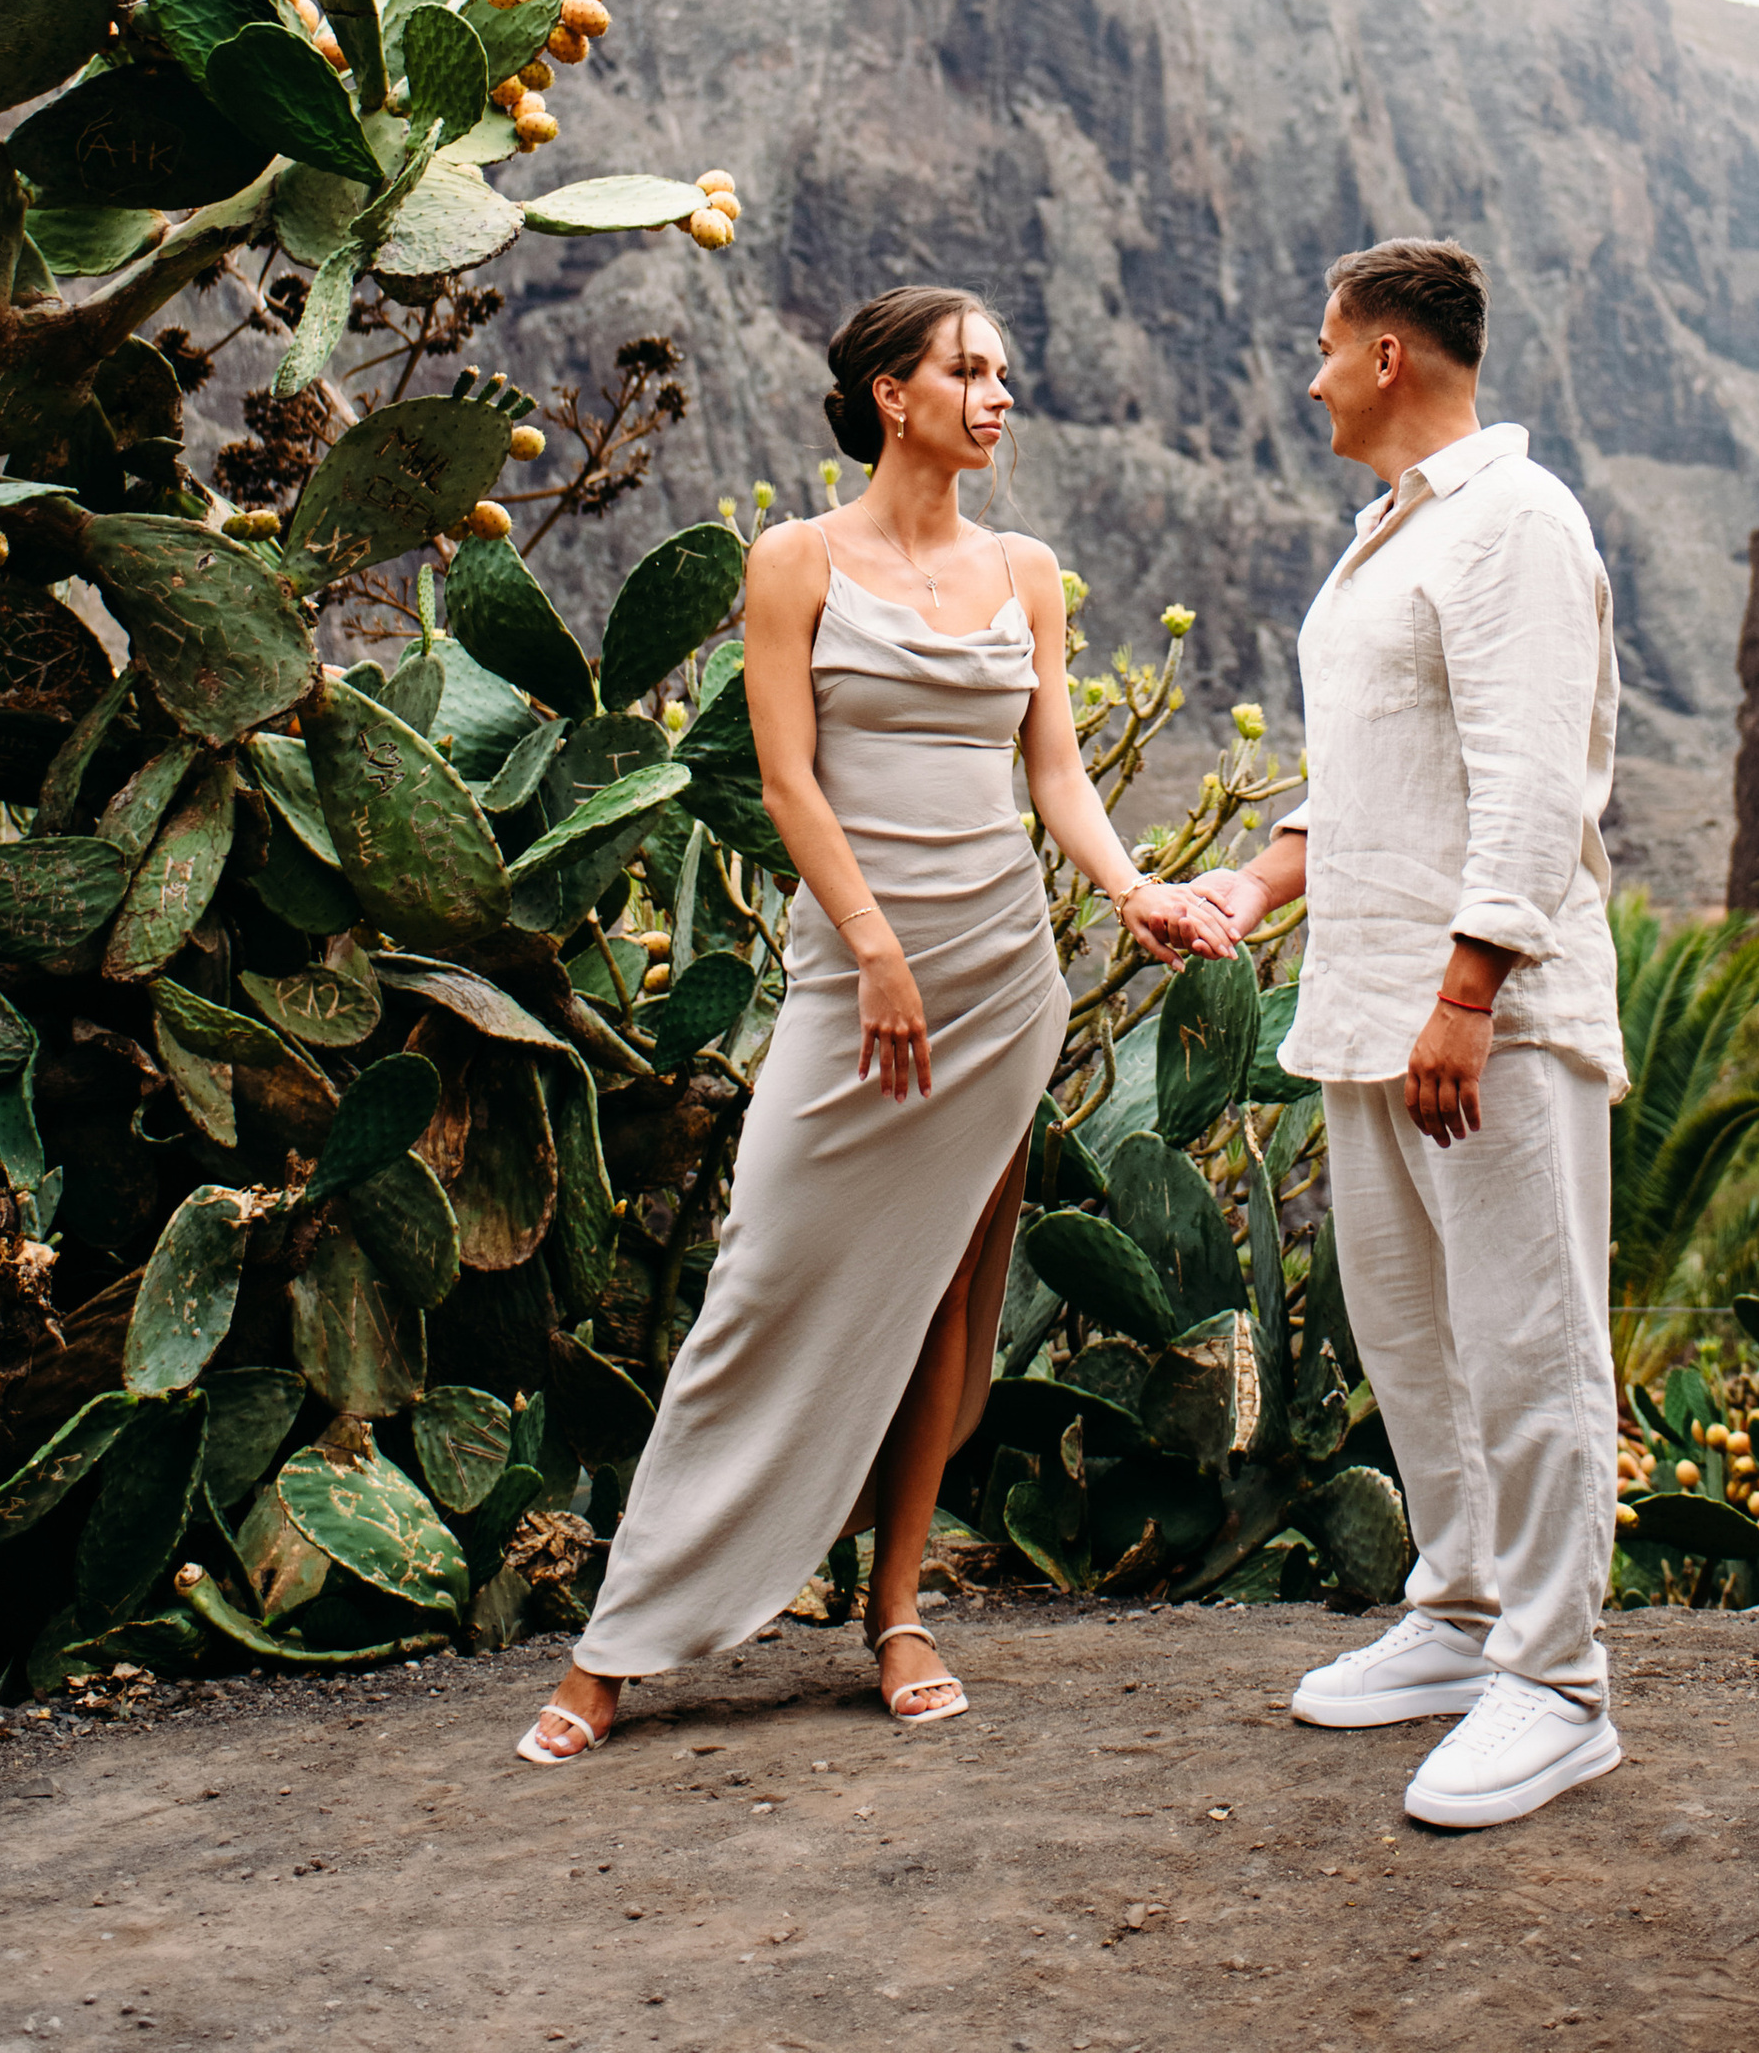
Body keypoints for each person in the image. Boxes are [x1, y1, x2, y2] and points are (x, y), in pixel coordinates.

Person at [516, 283, 1236, 1762]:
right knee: (761, 1280)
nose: (998, 394)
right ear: (891, 394)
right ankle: (619, 1644)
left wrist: (1132, 890)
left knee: (946, 1312)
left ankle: (898, 1610)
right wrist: (870, 944)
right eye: (969, 370)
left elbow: (1058, 777)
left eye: (1004, 373)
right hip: (860, 980)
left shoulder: (1025, 571)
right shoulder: (794, 563)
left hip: (998, 977)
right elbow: (786, 783)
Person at [1198, 239, 1626, 1830]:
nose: (1308, 377)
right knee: (1416, 1336)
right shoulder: (1388, 535)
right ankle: (1459, 1617)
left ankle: (1559, 1680)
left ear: (1388, 357)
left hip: (1483, 1018)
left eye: (1325, 347)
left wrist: (1471, 993)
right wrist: (1258, 880)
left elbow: (1530, 779)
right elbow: (1374, 768)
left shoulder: (1516, 520)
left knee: (1526, 1335)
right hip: (1369, 1009)